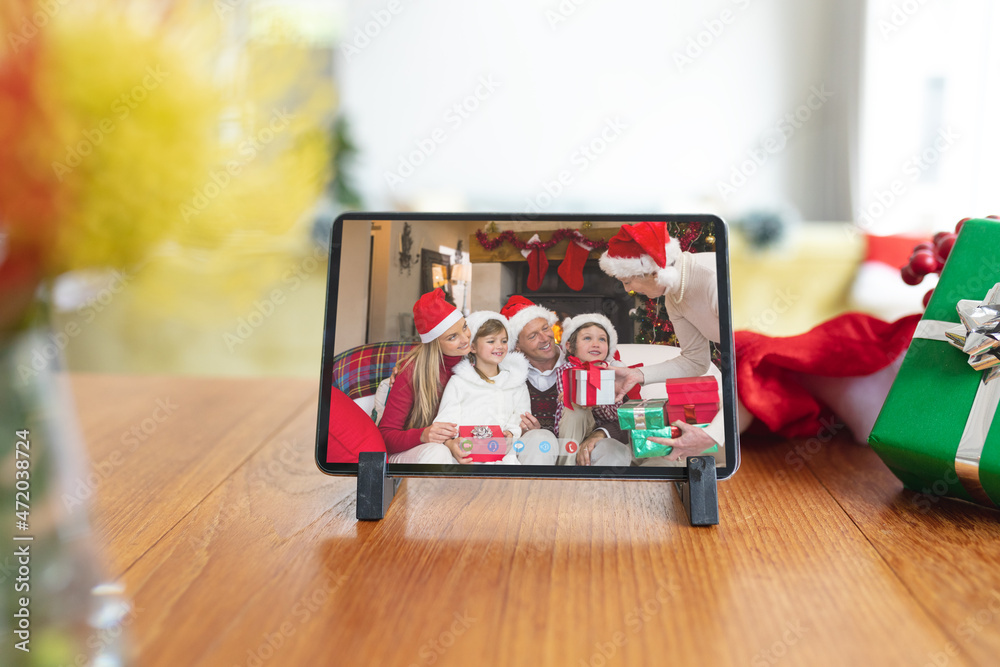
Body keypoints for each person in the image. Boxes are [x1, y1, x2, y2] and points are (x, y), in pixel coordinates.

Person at [579, 220, 726, 466]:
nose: (628, 289)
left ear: (652, 270)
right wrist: (637, 374)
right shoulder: (674, 297)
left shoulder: (712, 280)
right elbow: (695, 361)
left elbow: (752, 366)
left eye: (628, 281)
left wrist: (714, 434)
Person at [379, 289, 471, 464]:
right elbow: (386, 436)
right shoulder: (411, 372)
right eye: (453, 337)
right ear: (434, 343)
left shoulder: (476, 360)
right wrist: (423, 434)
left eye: (465, 327)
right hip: (416, 449)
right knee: (438, 453)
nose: (465, 339)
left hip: (458, 445)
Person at [433, 312, 529, 464]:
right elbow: (446, 420)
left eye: (504, 341)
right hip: (466, 455)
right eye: (491, 341)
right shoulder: (459, 382)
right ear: (472, 347)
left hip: (504, 455)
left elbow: (520, 416)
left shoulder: (516, 382)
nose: (499, 346)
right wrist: (452, 442)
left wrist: (511, 432)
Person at [552, 313, 633, 466]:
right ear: (569, 346)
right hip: (574, 428)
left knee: (579, 402)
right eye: (587, 338)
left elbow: (616, 416)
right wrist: (579, 399)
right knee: (575, 407)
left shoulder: (613, 373)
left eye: (602, 339)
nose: (596, 344)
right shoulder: (567, 371)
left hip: (604, 430)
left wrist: (598, 402)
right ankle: (566, 469)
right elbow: (569, 408)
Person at [500, 295, 569, 464]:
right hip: (531, 449)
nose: (545, 338)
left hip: (574, 447)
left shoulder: (575, 361)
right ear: (517, 345)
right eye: (533, 336)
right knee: (540, 440)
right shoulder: (507, 375)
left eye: (545, 328)